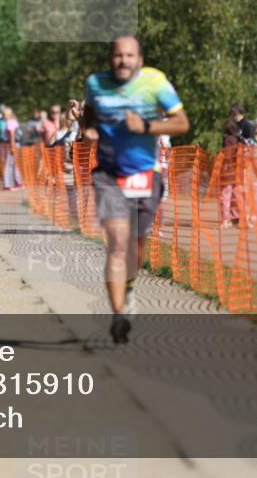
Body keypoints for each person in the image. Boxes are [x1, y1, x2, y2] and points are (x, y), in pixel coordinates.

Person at [82, 34, 189, 343]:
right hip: (108, 174)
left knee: (134, 248)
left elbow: (181, 123)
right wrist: (87, 130)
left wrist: (146, 127)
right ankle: (118, 316)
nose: (123, 61)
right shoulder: (95, 83)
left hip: (146, 174)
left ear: (140, 60)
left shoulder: (155, 82)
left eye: (130, 56)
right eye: (118, 55)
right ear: (110, 59)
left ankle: (127, 290)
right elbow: (91, 111)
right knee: (116, 242)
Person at [219, 118, 242, 228]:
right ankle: (236, 219)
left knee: (225, 194)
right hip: (237, 169)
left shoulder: (227, 139)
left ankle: (225, 220)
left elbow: (227, 154)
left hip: (228, 169)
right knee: (235, 194)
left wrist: (224, 166)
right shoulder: (238, 139)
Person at [0, 106, 23, 190]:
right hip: (15, 144)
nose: (3, 116)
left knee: (9, 164)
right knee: (13, 163)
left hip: (13, 144)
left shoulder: (10, 122)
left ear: (8, 114)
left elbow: (12, 135)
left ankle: (10, 184)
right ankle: (15, 182)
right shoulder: (13, 121)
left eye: (4, 114)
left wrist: (12, 147)